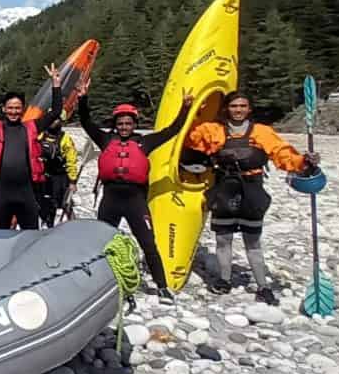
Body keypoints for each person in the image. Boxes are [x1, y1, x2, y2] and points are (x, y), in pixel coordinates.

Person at [184, 91, 317, 305]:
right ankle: (224, 280)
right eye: (234, 106)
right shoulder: (213, 130)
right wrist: (189, 110)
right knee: (223, 238)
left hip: (252, 188)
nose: (238, 110)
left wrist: (303, 162)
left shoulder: (263, 132)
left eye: (242, 106)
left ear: (249, 109)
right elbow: (190, 138)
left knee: (253, 241)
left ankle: (263, 286)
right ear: (227, 108)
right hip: (224, 188)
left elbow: (282, 154)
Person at [78, 80, 193, 304]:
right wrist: (83, 98)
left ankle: (162, 287)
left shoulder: (145, 142)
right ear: (115, 124)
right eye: (120, 123)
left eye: (128, 123)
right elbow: (86, 121)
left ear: (134, 124)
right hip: (110, 198)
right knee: (100, 243)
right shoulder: (105, 139)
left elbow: (173, 130)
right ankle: (97, 285)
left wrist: (185, 108)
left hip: (135, 200)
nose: (124, 127)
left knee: (148, 243)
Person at [0, 62, 62, 229]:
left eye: (17, 108)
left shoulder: (31, 128)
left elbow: (55, 112)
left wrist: (56, 84)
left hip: (27, 194)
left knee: (29, 238)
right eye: (10, 108)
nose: (14, 112)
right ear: (3, 109)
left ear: (23, 109)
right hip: (0, 193)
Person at [34, 117, 79, 228]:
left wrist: (72, 181)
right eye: (51, 119)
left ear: (61, 122)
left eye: (56, 120)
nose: (53, 122)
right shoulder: (40, 136)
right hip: (42, 176)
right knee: (44, 204)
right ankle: (47, 225)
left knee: (65, 204)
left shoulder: (65, 139)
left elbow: (71, 160)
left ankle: (75, 227)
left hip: (60, 177)